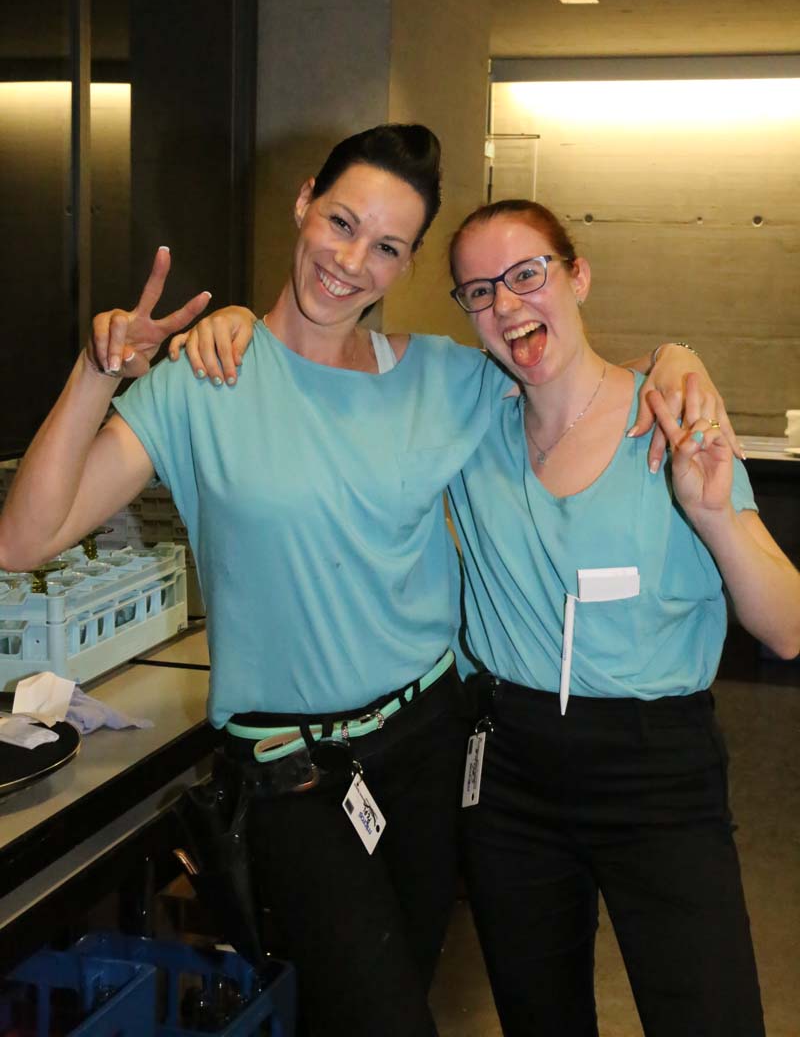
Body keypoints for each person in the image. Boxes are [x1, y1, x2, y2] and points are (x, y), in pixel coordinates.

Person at [0, 125, 729, 1037]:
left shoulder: (442, 379)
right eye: (341, 223)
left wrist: (675, 357)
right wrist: (96, 370)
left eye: (386, 246)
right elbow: (23, 539)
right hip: (290, 772)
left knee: (397, 991)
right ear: (305, 201)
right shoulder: (204, 379)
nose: (351, 262)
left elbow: (571, 372)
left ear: (407, 264)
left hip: (429, 749)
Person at [439, 199, 800, 1037]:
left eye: (527, 274)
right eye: (480, 291)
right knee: (539, 1018)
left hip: (655, 767)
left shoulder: (672, 420)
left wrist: (712, 514)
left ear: (578, 277)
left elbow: (787, 628)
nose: (507, 303)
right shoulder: (469, 421)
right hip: (509, 768)